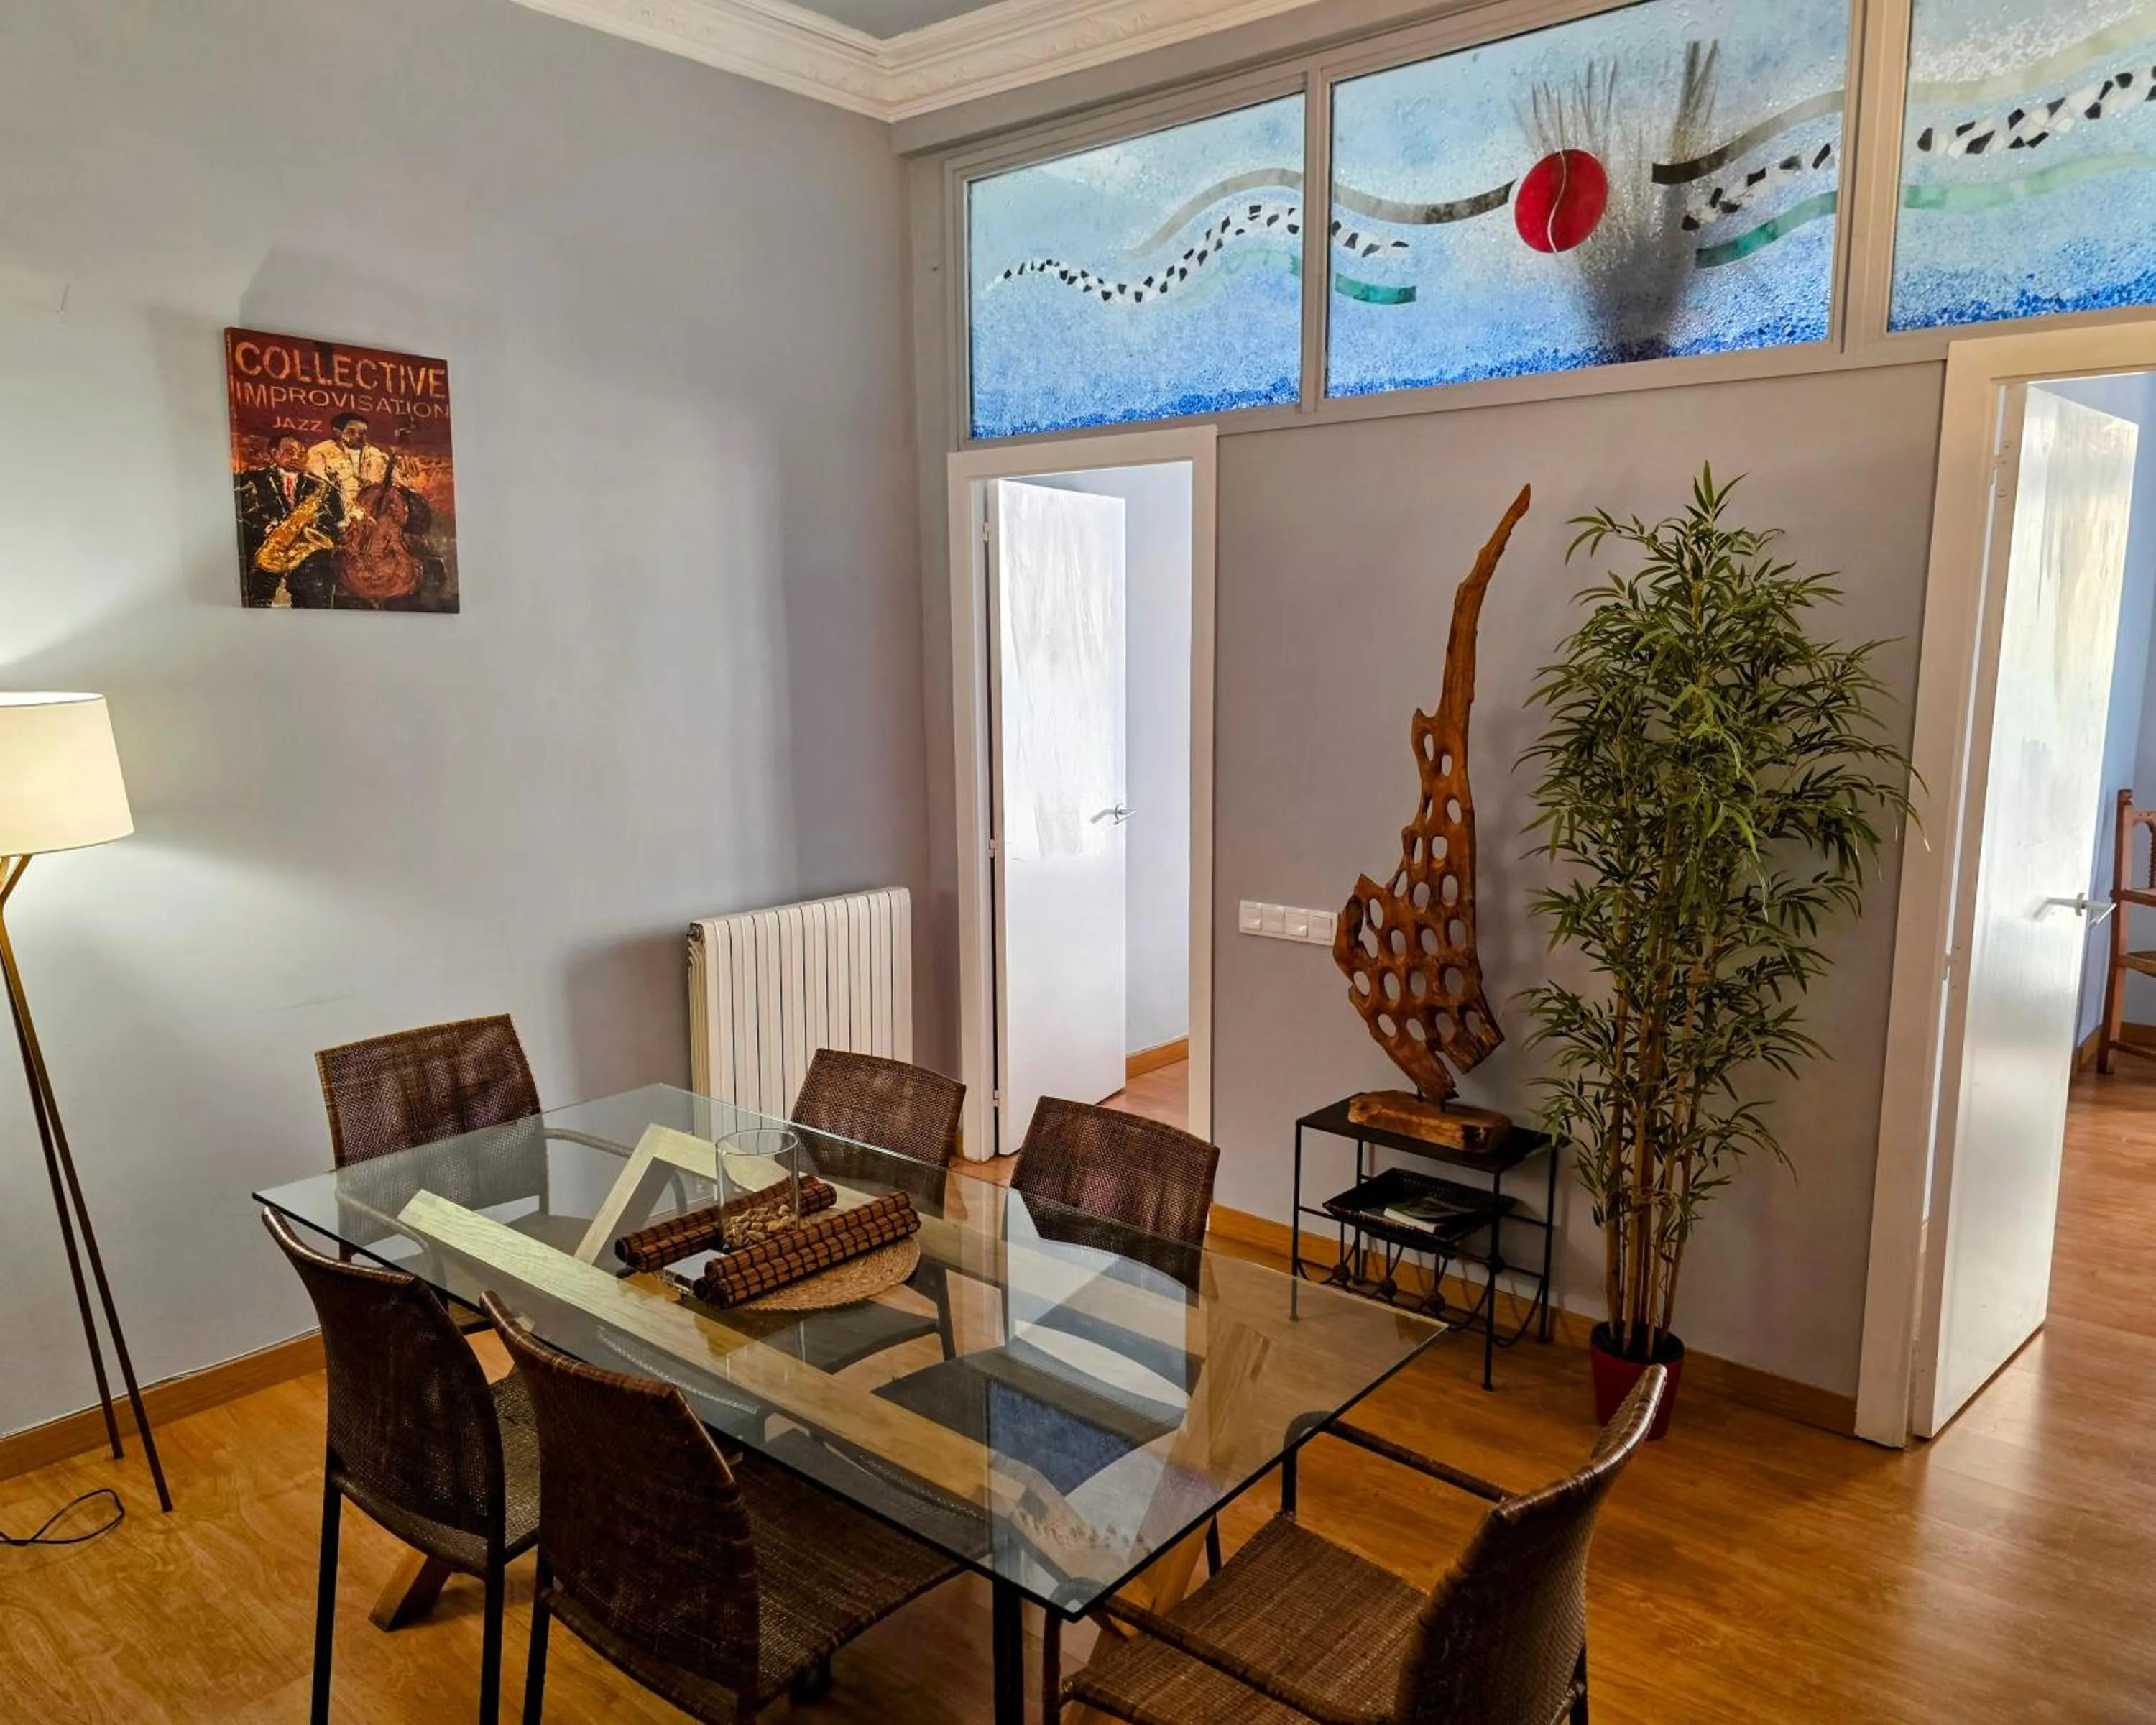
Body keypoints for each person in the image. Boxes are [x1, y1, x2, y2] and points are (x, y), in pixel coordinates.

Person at [233, 431, 340, 607]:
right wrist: (267, 527)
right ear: (274, 453)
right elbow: (240, 515)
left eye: (301, 453)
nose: (297, 458)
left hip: (305, 560)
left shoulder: (319, 485)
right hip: (263, 554)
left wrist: (313, 527)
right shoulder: (250, 479)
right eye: (290, 452)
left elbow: (333, 520)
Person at [305, 412, 391, 521]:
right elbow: (320, 487)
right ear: (337, 432)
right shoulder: (319, 452)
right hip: (336, 514)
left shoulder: (377, 455)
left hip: (372, 514)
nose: (358, 437)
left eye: (362, 433)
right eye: (351, 432)